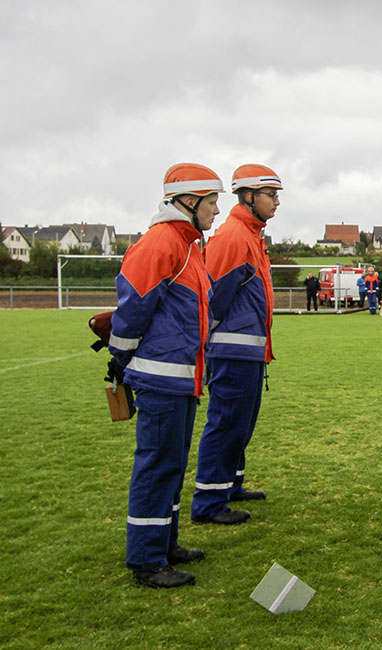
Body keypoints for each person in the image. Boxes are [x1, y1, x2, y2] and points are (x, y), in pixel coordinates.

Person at [108, 163, 222, 587]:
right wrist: (120, 359)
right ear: (189, 201)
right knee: (157, 468)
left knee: (171, 466)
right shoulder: (162, 243)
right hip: (161, 379)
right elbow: (133, 307)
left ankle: (164, 545)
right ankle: (146, 560)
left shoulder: (186, 244)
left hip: (181, 379)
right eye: (212, 202)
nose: (216, 210)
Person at [191, 164, 281, 526]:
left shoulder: (250, 235)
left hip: (248, 350)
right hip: (231, 351)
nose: (276, 202)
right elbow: (212, 299)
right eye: (271, 195)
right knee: (227, 422)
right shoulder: (234, 237)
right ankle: (209, 502)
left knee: (241, 423)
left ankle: (229, 485)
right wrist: (205, 345)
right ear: (248, 196)